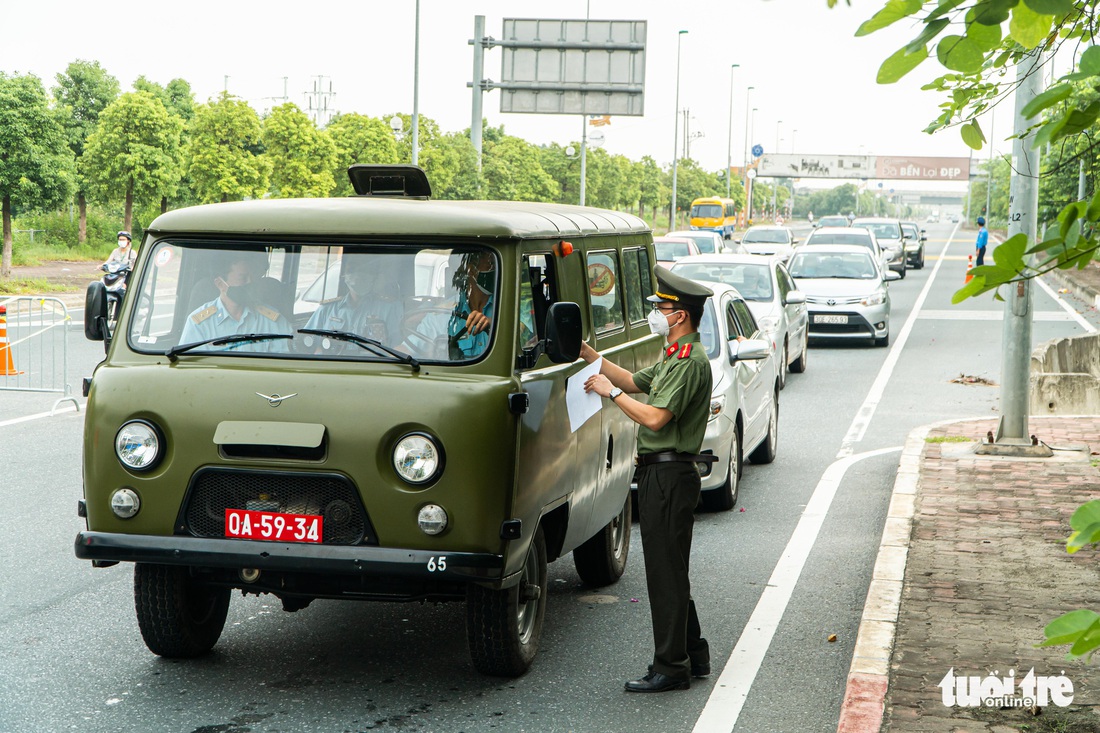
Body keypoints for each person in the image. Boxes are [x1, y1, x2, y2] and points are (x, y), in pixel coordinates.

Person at [581, 265, 715, 694]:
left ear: (681, 316)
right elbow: (632, 381)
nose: (656, 312)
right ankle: (693, 653)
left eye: (662, 307)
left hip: (670, 475)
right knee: (671, 569)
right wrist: (585, 352)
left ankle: (671, 667)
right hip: (665, 474)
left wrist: (611, 394)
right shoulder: (674, 356)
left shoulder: (690, 361)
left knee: (664, 573)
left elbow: (656, 417)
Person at [179, 253, 292, 352]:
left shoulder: (272, 321)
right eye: (243, 278)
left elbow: (287, 367)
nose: (250, 283)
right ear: (220, 284)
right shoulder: (200, 324)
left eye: (252, 277)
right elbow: (189, 370)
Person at [304, 254, 402, 353]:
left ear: (374, 275)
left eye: (365, 269)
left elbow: (397, 349)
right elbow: (306, 342)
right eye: (352, 268)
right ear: (344, 273)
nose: (358, 274)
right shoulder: (327, 309)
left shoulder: (389, 308)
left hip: (371, 365)